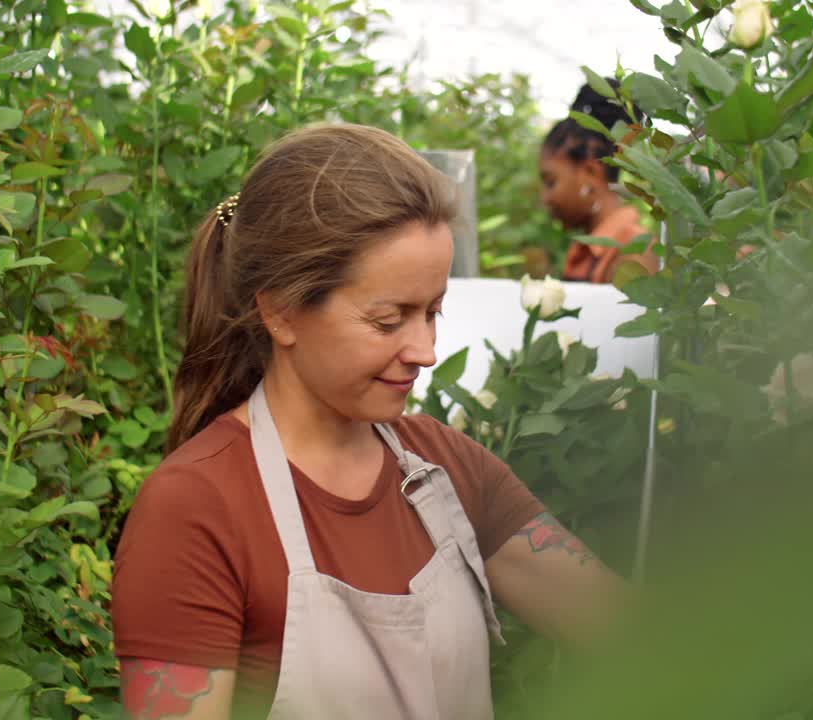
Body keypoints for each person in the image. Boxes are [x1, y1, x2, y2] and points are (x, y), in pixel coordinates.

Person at [111, 124, 626, 720]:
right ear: (279, 311)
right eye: (389, 320)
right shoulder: (195, 509)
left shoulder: (445, 468)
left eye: (433, 312)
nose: (425, 349)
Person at [540, 79, 658, 284]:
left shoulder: (636, 252)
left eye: (550, 182)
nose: (545, 198)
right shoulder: (588, 251)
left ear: (590, 172)